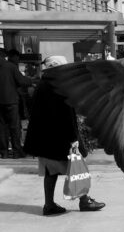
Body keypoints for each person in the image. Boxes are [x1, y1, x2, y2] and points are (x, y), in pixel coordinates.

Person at [22, 56, 105, 216]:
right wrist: (74, 138)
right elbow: (67, 114)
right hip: (60, 137)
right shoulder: (60, 85)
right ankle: (84, 200)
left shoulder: (42, 84)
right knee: (77, 165)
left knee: (50, 172)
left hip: (44, 137)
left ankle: (49, 204)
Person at [0, 48, 34, 158]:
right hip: (11, 101)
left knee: (1, 127)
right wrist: (31, 81)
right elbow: (21, 81)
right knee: (14, 126)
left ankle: (4, 152)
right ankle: (16, 151)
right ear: (3, 55)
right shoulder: (10, 67)